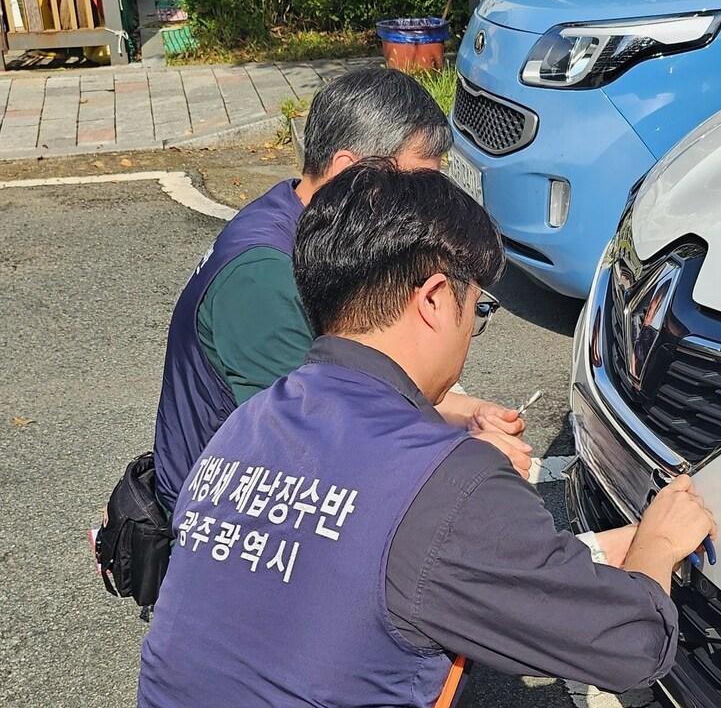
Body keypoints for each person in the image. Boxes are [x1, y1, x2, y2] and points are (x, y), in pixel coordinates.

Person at [103, 159, 717, 708]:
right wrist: (660, 544)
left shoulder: (247, 425)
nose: (473, 329)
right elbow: (632, 644)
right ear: (433, 298)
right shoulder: (445, 479)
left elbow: (371, 573)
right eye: (479, 309)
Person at [151, 67, 525, 511]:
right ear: (350, 172)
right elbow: (318, 445)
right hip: (220, 518)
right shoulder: (267, 275)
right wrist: (465, 461)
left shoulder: (302, 217)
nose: (426, 209)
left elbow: (355, 393)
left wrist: (464, 414)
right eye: (411, 186)